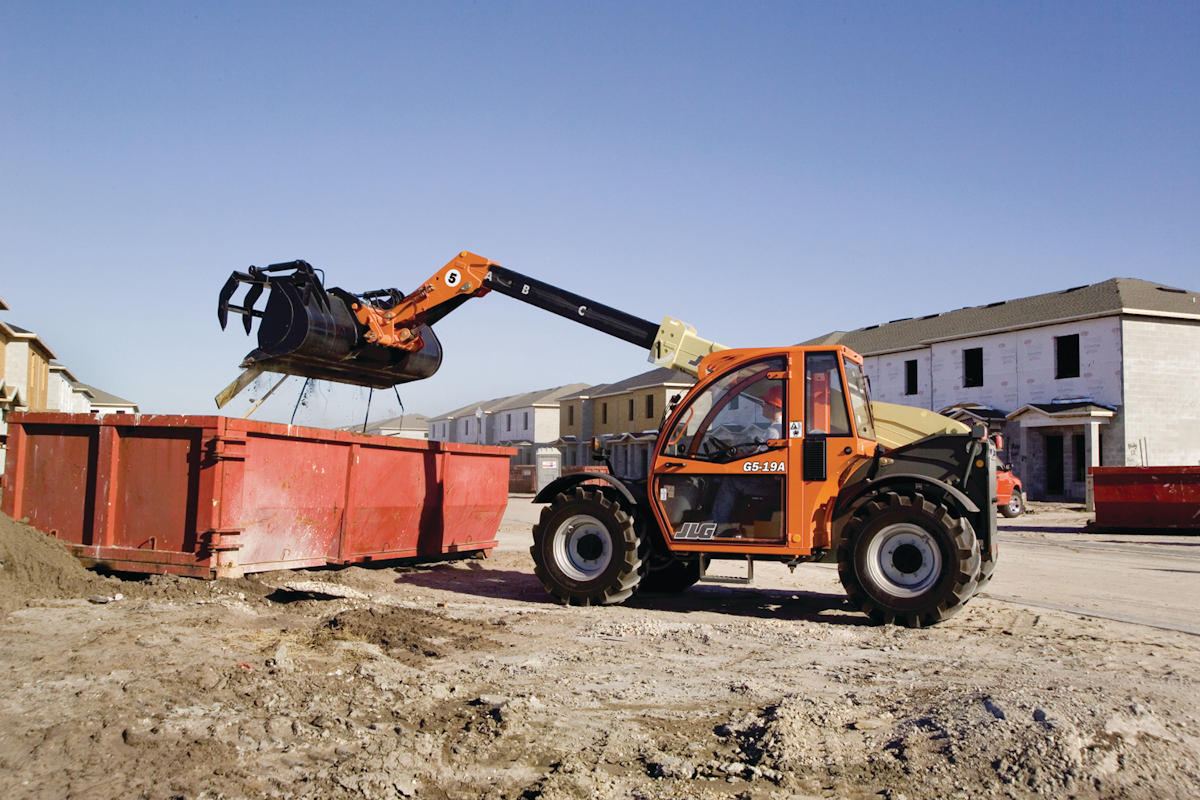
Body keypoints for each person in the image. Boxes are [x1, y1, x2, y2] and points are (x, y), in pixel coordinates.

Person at [711, 385, 784, 536]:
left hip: (769, 483)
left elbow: (761, 460)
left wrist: (740, 456)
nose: (762, 406)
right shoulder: (783, 428)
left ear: (774, 407)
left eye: (765, 404)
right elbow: (764, 452)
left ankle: (717, 526)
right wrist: (746, 451)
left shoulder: (774, 430)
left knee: (729, 481)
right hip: (777, 482)